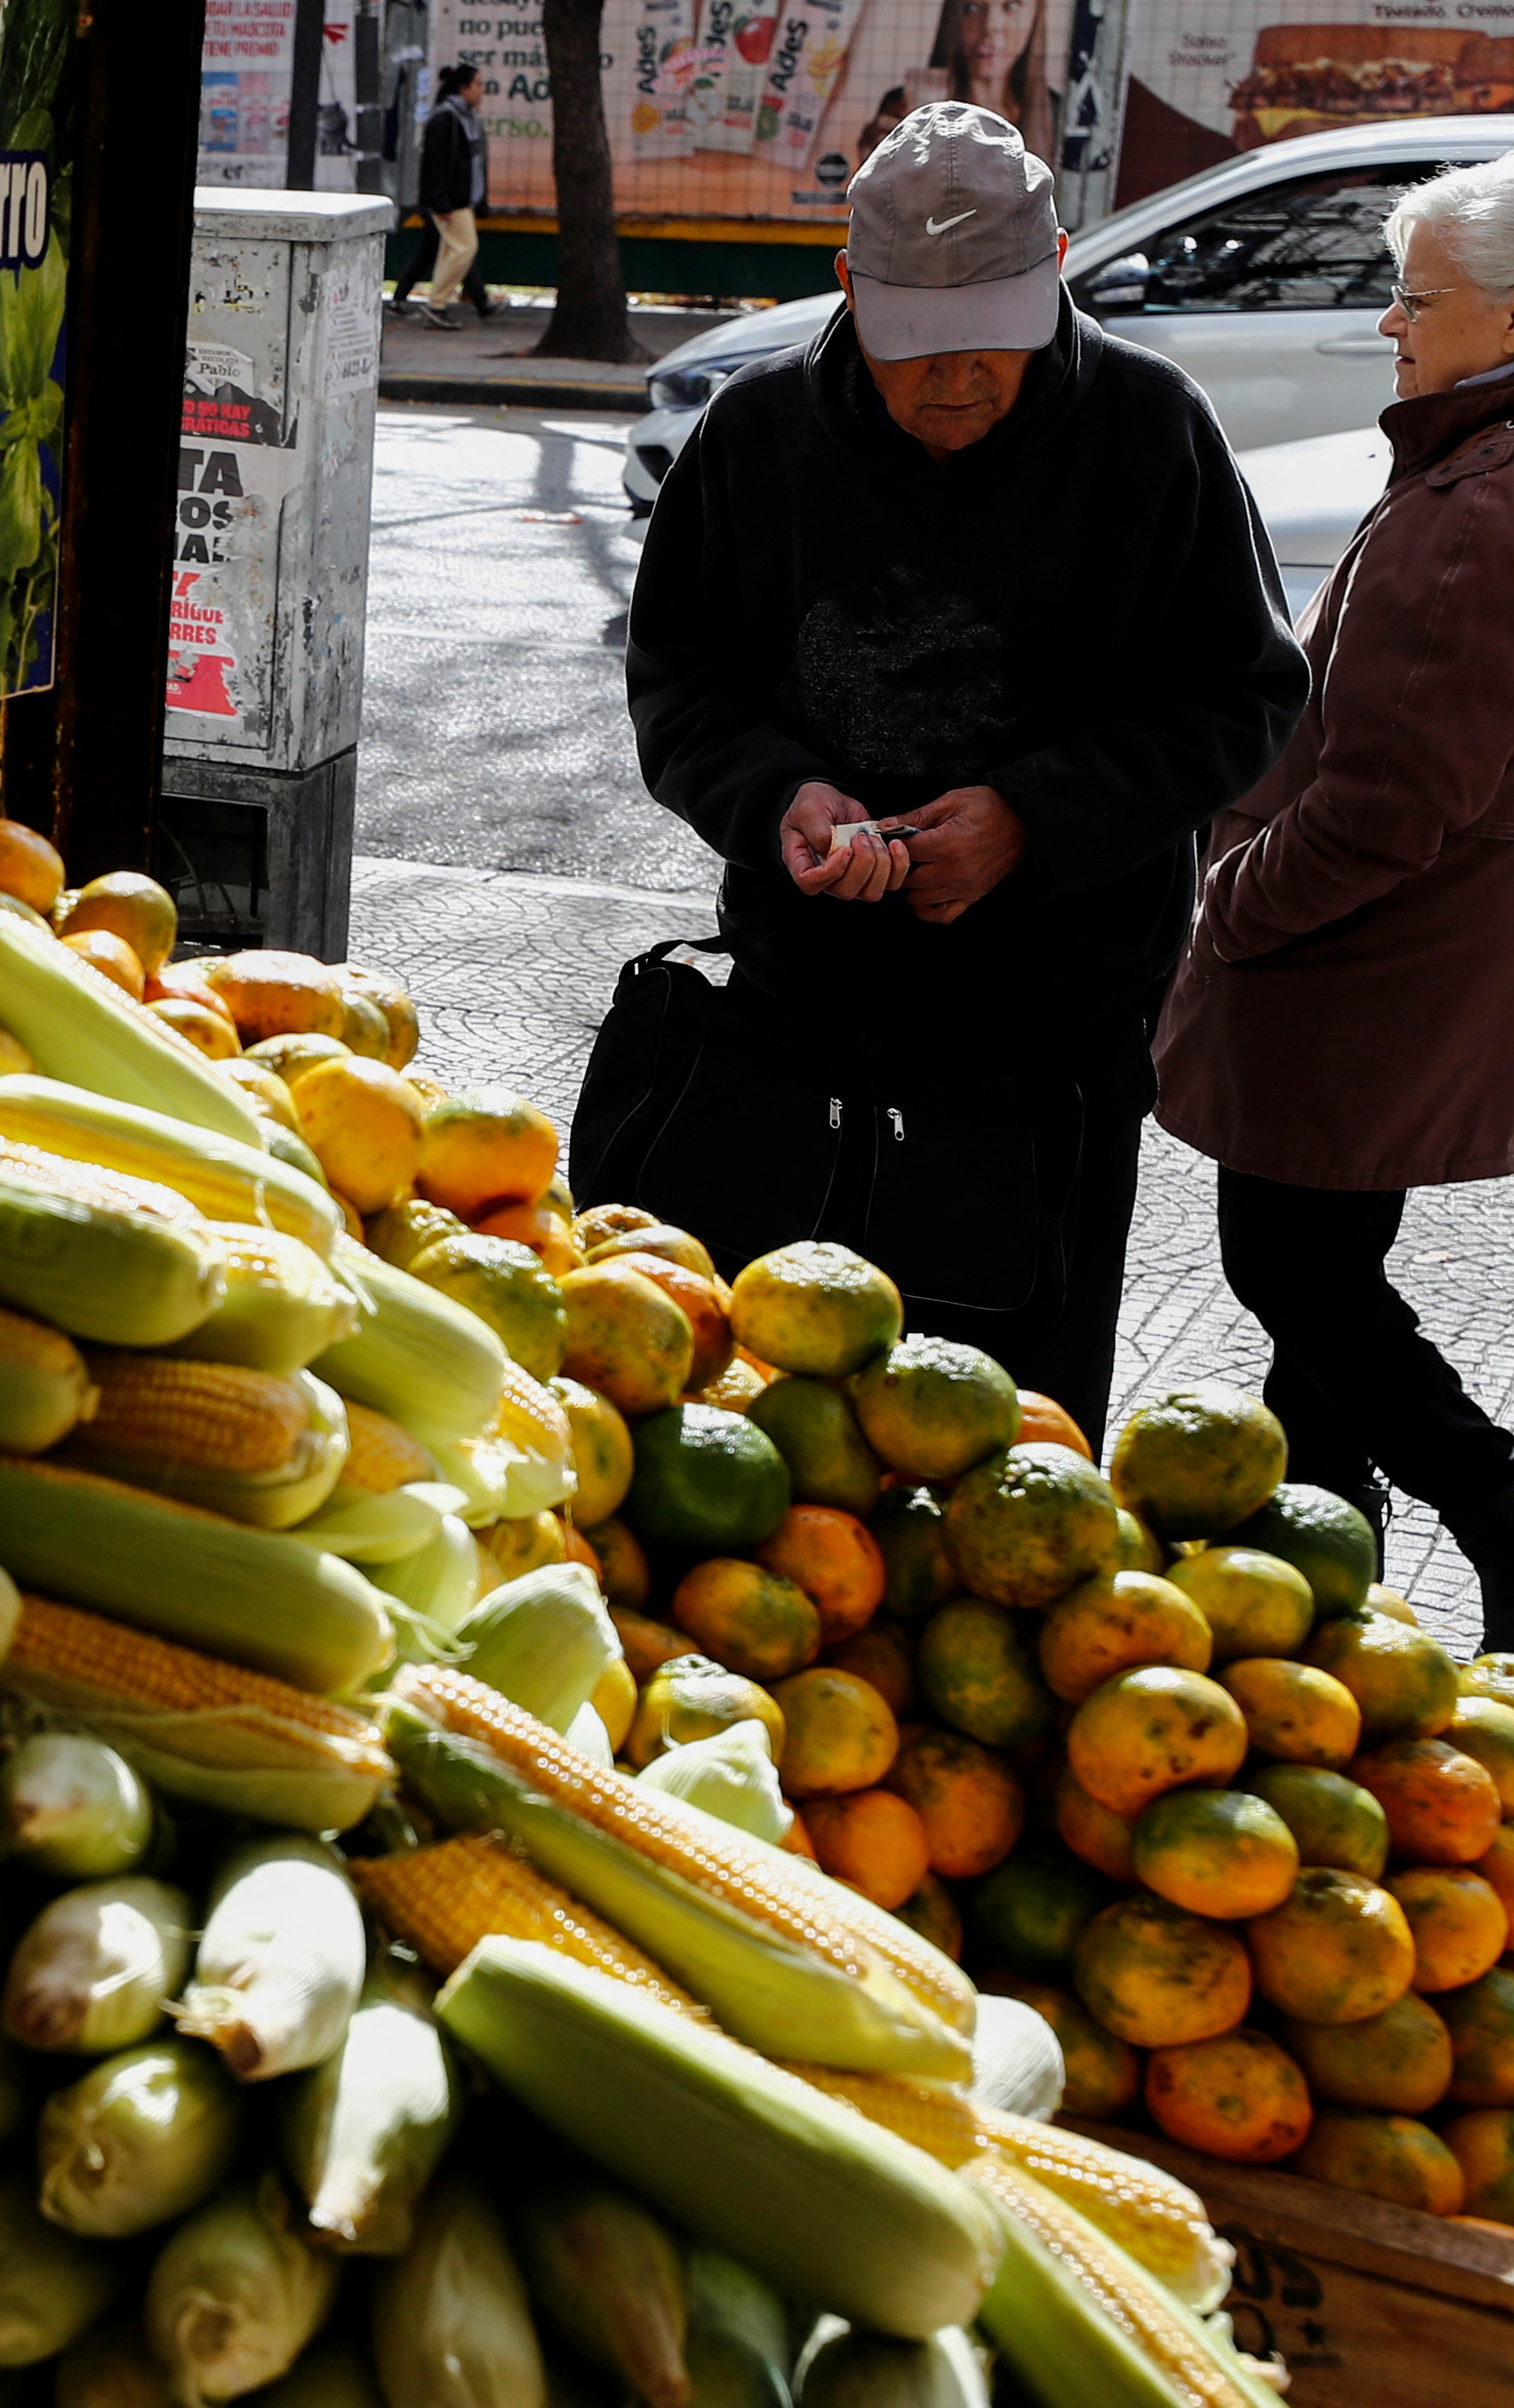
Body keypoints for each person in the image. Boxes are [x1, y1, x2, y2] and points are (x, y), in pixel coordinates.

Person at [580, 102, 1307, 1434]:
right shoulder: (754, 437)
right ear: (849, 289)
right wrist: (777, 800)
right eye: (917, 346)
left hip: (1052, 1037)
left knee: (1009, 1434)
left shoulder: (1150, 429)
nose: (955, 381)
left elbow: (1244, 694)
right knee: (769, 1419)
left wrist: (1031, 822)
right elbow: (678, 683)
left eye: (993, 343)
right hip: (800, 1006)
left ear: (1056, 277)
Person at [1152, 147, 1514, 1658]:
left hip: (1368, 959)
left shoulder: (1491, 500)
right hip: (1443, 949)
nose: (1393, 323)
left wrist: (1235, 903)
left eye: (1419, 297)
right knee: (1322, 1276)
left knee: (1295, 1268)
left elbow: (1392, 799)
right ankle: (1320, 1588)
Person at [407, 65, 488, 330]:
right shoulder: (446, 120)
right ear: (462, 88)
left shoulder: (467, 118)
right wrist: (439, 201)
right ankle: (436, 303)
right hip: (451, 199)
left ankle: (438, 304)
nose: (481, 90)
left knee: (450, 250)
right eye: (477, 84)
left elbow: (476, 162)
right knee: (465, 248)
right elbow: (435, 164)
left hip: (462, 197)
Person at [935, 0, 1049, 159]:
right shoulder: (908, 107)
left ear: (1036, 14)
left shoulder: (1063, 116)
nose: (989, 26)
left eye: (1010, 6)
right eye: (972, 8)